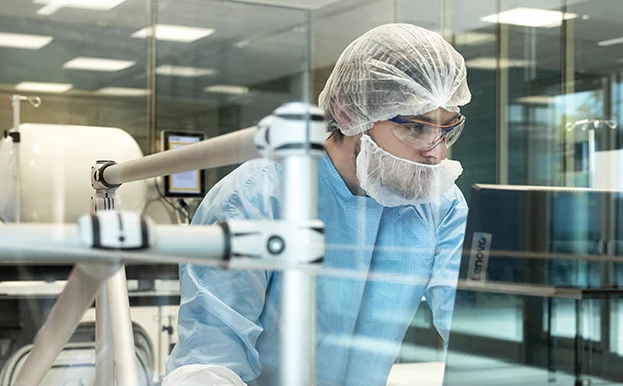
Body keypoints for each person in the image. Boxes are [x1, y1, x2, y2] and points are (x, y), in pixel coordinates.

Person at [165, 23, 472, 386]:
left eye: (447, 130)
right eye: (415, 128)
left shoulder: (439, 204)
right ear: (347, 114)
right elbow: (211, 360)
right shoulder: (255, 197)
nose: (437, 152)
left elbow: (464, 319)